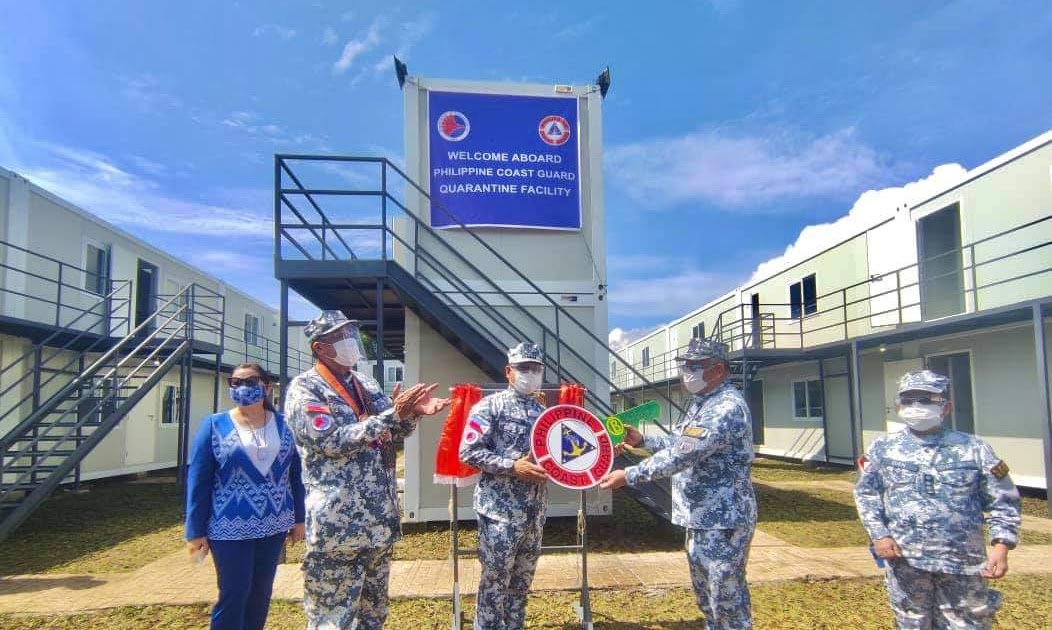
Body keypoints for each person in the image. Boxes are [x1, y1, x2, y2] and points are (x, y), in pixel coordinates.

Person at [284, 310, 450, 629]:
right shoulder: (306, 389)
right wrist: (392, 415)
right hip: (338, 527)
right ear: (320, 348)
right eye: (341, 336)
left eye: (351, 333)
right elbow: (331, 441)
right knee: (333, 620)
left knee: (373, 616)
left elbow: (391, 434)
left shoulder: (366, 383)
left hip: (378, 524)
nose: (351, 340)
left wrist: (411, 414)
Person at [599, 338, 756, 630]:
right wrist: (643, 441)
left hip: (723, 521)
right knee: (708, 597)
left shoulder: (726, 408)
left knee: (726, 600)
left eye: (694, 366)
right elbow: (678, 442)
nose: (686, 372)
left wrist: (629, 475)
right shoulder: (703, 404)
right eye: (685, 366)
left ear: (717, 369)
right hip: (702, 518)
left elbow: (682, 455)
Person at [853, 369, 1021, 629]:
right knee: (912, 623)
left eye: (926, 399)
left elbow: (1004, 500)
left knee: (966, 624)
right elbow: (866, 494)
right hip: (906, 560)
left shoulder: (974, 448)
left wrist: (1001, 547)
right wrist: (879, 535)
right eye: (908, 400)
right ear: (898, 406)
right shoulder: (882, 448)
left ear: (946, 407)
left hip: (962, 562)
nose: (916, 406)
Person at [185, 362, 306, 630]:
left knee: (261, 593)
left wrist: (300, 518)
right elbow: (198, 480)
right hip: (228, 527)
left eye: (250, 382)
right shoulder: (214, 425)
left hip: (274, 524)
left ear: (267, 388)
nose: (241, 388)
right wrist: (195, 531)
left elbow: (297, 475)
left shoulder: (286, 425)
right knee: (234, 592)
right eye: (235, 383)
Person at [459, 341, 549, 630]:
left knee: (521, 584)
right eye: (524, 368)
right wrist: (512, 466)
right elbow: (468, 452)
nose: (530, 374)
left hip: (533, 514)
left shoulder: (544, 412)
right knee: (495, 582)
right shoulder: (489, 406)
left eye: (536, 369)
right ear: (509, 371)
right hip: (499, 513)